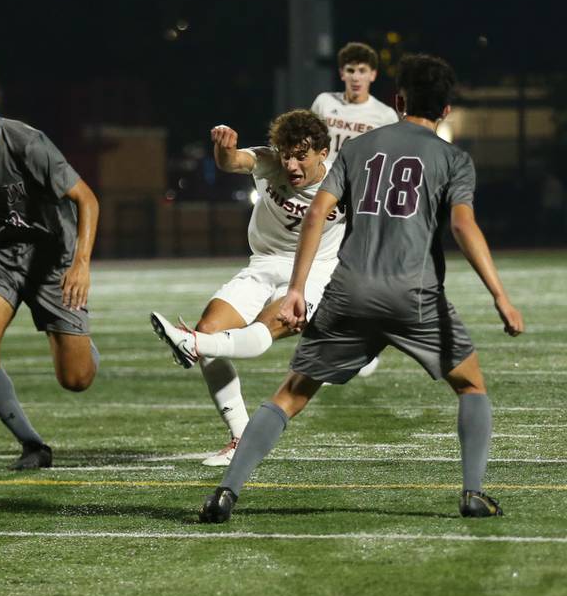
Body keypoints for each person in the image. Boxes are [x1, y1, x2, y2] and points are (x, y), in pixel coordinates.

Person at [198, 53, 524, 523]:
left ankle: (227, 493)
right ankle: (473, 494)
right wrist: (500, 295)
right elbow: (464, 227)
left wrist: (294, 290)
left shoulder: (358, 147)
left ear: (398, 100)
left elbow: (315, 213)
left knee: (290, 394)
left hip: (347, 291)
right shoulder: (453, 158)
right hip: (414, 295)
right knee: (471, 386)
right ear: (447, 110)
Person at [153, 110, 379, 467]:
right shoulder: (271, 162)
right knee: (211, 330)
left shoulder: (344, 179)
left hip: (316, 273)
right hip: (263, 265)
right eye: (286, 153)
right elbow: (233, 161)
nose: (291, 164)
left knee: (264, 328)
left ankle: (191, 344)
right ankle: (240, 436)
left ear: (323, 152)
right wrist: (223, 146)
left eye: (301, 155)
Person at [0, 55, 100, 470]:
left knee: (76, 379)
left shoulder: (27, 142)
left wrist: (80, 264)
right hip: (1, 258)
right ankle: (32, 445)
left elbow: (87, 199)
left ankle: (76, 340)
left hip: (53, 259)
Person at [311, 41, 398, 162]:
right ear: (342, 73)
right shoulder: (324, 102)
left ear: (373, 75)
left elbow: (391, 158)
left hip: (360, 180)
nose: (355, 78)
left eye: (362, 71)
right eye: (350, 70)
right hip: (324, 179)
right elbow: (309, 144)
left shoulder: (386, 115)